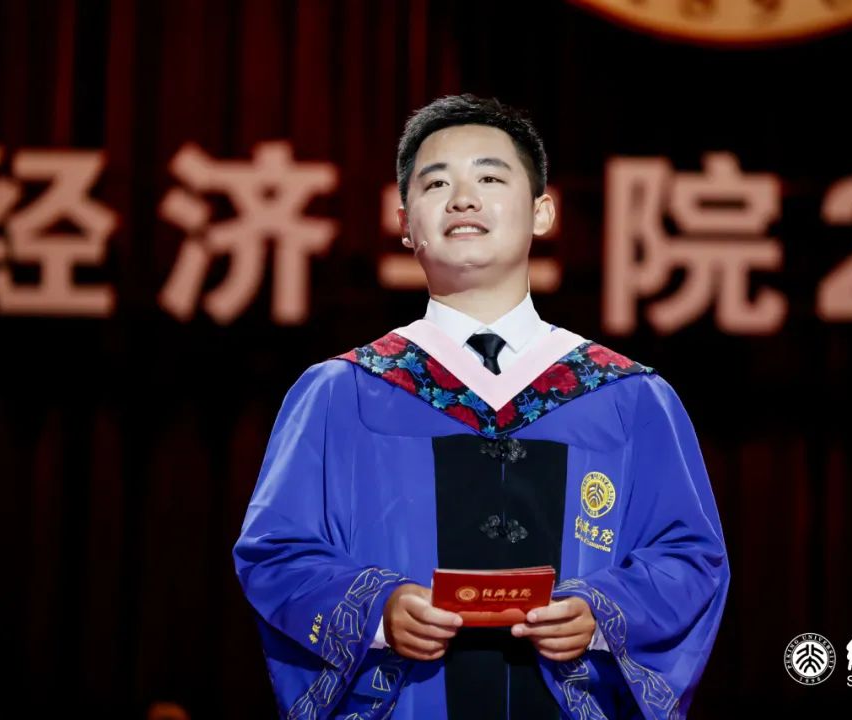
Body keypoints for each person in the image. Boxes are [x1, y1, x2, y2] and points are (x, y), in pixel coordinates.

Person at [233, 94, 729, 719]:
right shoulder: (341, 393)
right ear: (404, 222)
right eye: (436, 183)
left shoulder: (627, 397)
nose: (463, 199)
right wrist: (378, 611)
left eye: (490, 179)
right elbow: (276, 552)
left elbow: (689, 558)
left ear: (542, 213)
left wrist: (603, 613)